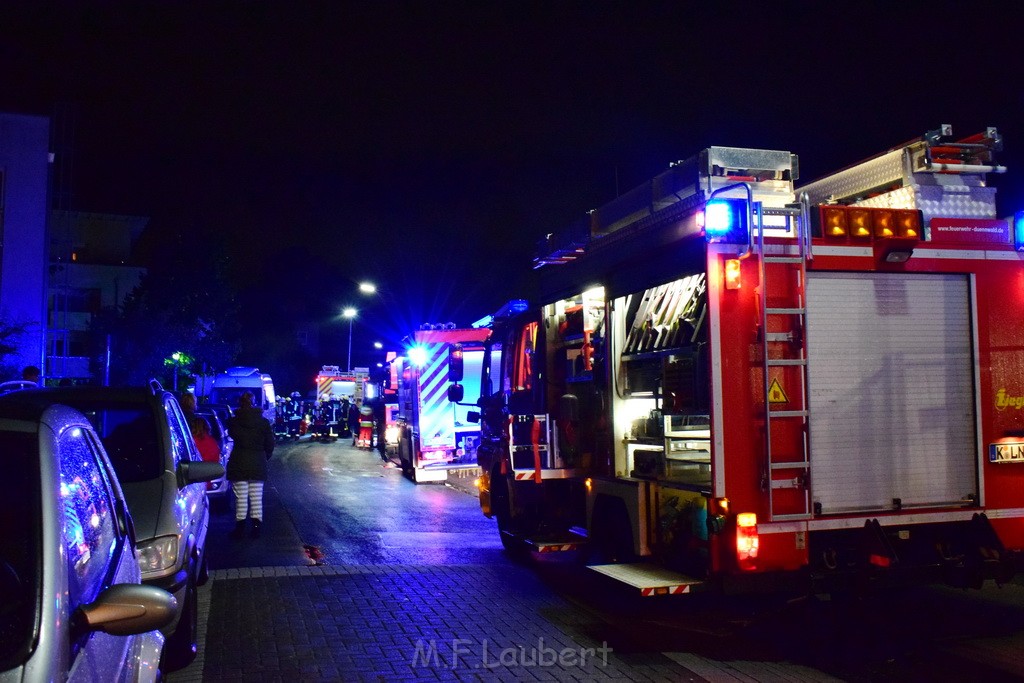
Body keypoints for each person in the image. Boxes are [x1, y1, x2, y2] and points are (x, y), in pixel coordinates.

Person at [226, 391, 275, 539]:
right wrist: (263, 457)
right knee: (256, 497)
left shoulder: (234, 421)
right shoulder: (263, 422)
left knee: (240, 498)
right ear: (254, 403)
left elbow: (232, 435)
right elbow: (270, 444)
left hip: (239, 461)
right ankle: (256, 528)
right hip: (257, 462)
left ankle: (239, 529)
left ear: (240, 402)